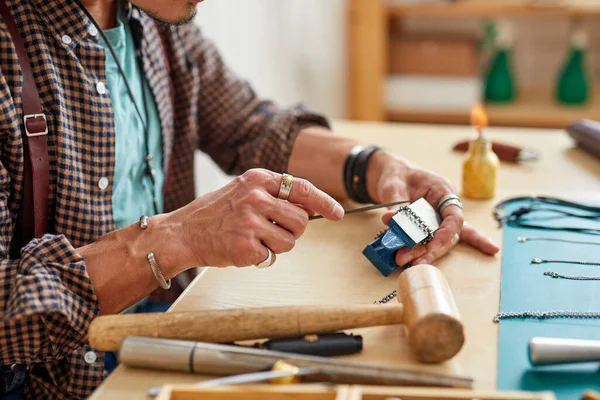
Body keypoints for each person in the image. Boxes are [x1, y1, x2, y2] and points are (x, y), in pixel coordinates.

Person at [0, 0, 499, 398]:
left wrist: (378, 167)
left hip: (165, 338)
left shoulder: (152, 19)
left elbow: (250, 126)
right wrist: (177, 238)